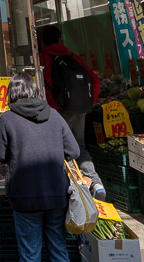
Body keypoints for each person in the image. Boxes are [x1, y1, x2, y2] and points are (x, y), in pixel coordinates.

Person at [0, 73, 80, 262]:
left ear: (12, 93)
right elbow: (74, 151)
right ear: (34, 90)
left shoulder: (8, 119)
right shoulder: (54, 115)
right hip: (56, 193)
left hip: (25, 196)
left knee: (30, 254)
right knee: (58, 249)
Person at [37, 25, 104, 198]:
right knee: (79, 146)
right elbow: (95, 80)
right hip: (78, 109)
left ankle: (73, 188)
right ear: (60, 39)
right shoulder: (73, 57)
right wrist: (88, 104)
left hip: (56, 111)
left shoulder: (42, 59)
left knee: (58, 148)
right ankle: (95, 184)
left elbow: (42, 86)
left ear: (43, 41)